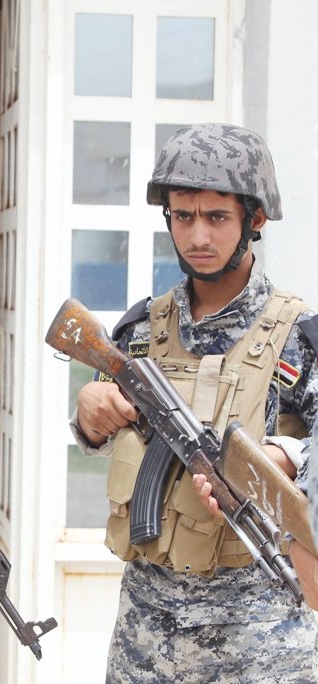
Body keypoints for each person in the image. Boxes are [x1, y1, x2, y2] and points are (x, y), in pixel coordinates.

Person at [72, 123, 318, 682]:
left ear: (255, 220)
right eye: (184, 216)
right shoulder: (140, 329)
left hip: (259, 628)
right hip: (147, 625)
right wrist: (89, 414)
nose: (198, 236)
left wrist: (283, 458)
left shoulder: (298, 335)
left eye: (217, 217)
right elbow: (102, 430)